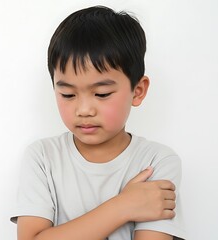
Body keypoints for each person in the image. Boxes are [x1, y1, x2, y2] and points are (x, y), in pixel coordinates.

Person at [10, 5, 186, 240]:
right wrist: (123, 206)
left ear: (138, 91)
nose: (83, 110)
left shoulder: (156, 162)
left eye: (102, 94)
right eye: (68, 95)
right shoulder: (43, 157)